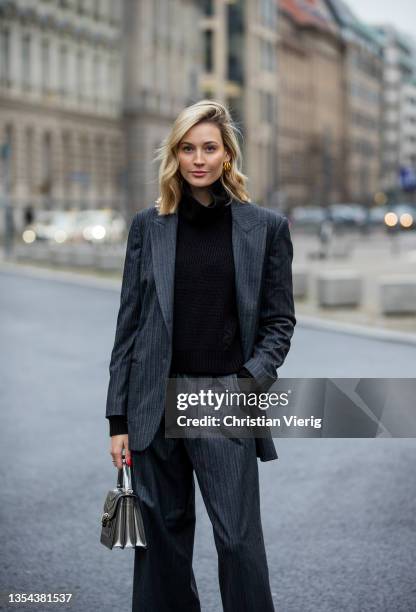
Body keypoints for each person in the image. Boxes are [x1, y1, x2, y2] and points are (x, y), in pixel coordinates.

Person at [105, 99, 296, 612]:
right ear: (174, 155)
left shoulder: (266, 229)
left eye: (209, 147)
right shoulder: (149, 227)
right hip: (152, 401)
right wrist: (117, 419)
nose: (197, 158)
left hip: (222, 398)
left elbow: (280, 321)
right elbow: (129, 325)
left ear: (227, 155)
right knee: (162, 547)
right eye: (186, 148)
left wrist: (249, 380)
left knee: (237, 541)